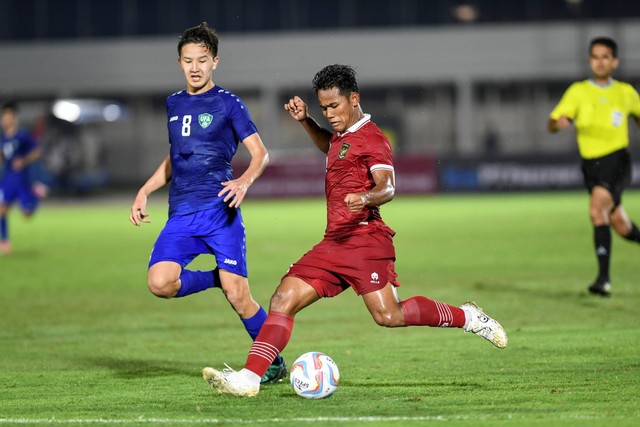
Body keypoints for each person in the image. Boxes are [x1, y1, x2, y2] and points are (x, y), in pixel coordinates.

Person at [202, 64, 507, 397]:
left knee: (389, 315)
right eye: (324, 108)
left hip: (365, 241)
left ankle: (467, 317)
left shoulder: (373, 138)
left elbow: (388, 187)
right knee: (282, 299)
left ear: (354, 98)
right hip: (334, 243)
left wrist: (365, 196)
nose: (330, 114)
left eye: (335, 106)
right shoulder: (342, 136)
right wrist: (307, 121)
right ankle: (249, 378)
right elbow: (331, 146)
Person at [129, 22, 286, 383]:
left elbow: (260, 154)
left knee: (240, 296)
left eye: (202, 60)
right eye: (188, 60)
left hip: (219, 213)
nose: (195, 67)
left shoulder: (229, 104)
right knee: (160, 282)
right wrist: (145, 189)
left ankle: (273, 362)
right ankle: (217, 278)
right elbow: (175, 157)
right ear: (180, 63)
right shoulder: (173, 103)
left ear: (215, 61)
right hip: (181, 214)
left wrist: (245, 180)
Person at [548, 37, 640, 297]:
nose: (599, 62)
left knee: (596, 209)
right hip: (591, 166)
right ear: (590, 60)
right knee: (620, 226)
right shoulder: (578, 91)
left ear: (614, 61)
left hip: (617, 161)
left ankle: (603, 280)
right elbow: (553, 122)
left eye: (605, 57)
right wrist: (558, 123)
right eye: (595, 57)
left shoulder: (626, 92)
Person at [0, 100, 44, 254]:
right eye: (3, 117)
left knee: (26, 215)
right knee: (1, 210)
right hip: (7, 179)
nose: (4, 120)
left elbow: (37, 152)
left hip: (21, 180)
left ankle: (37, 194)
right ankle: (4, 241)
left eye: (7, 116)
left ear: (14, 118)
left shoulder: (23, 136)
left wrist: (24, 161)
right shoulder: (3, 138)